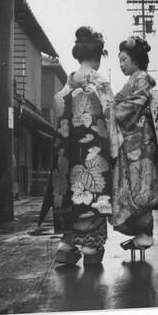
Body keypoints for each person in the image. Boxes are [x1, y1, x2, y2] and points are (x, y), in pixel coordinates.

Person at [51, 26, 118, 266]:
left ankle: (66, 246)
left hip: (68, 157)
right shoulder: (101, 85)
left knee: (71, 197)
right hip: (94, 157)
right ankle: (90, 249)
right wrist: (115, 154)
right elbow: (112, 123)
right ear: (99, 56)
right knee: (94, 197)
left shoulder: (65, 88)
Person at [110, 36, 158, 259]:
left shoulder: (141, 79)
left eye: (124, 59)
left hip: (140, 143)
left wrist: (114, 109)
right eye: (119, 60)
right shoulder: (136, 79)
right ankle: (141, 233)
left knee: (139, 189)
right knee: (134, 188)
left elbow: (136, 103)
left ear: (136, 59)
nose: (121, 64)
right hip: (133, 143)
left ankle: (145, 233)